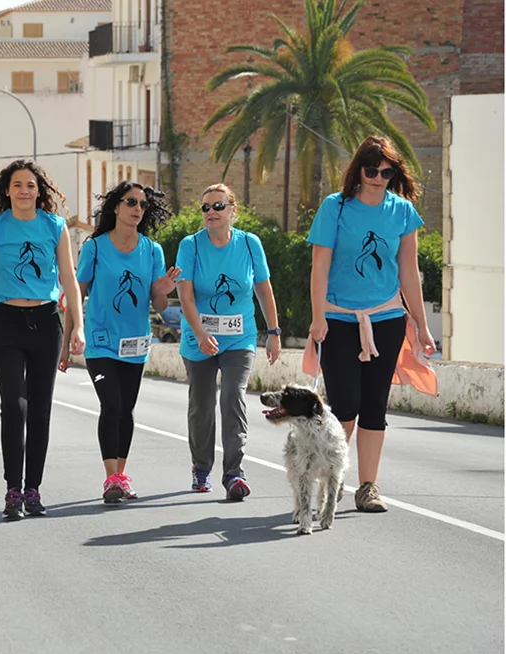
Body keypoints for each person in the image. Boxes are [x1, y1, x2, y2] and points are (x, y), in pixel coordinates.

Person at [307, 136, 437, 513]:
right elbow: (320, 266)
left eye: (387, 171)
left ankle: (367, 487)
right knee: (344, 406)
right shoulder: (336, 208)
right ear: (358, 170)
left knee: (374, 407)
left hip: (387, 318)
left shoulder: (403, 211)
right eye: (372, 170)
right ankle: (329, 478)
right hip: (338, 319)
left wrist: (423, 325)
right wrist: (318, 319)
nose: (379, 177)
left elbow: (409, 272)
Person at [0, 159, 85, 521]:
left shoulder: (55, 226)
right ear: (7, 191)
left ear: (38, 190)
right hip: (7, 321)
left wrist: (77, 325)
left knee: (41, 407)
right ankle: (12, 488)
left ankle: (34, 489)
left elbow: (69, 279)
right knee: (14, 406)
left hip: (46, 321)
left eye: (30, 185)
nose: (24, 191)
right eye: (17, 185)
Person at [59, 182, 180, 504]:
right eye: (130, 202)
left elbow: (159, 304)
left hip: (136, 343)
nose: (137, 208)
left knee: (126, 409)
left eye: (142, 204)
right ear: (116, 207)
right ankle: (110, 476)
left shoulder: (152, 250)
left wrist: (164, 289)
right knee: (110, 404)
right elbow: (76, 294)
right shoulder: (96, 248)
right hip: (100, 342)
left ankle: (120, 476)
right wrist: (69, 338)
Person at [176, 183, 281, 501]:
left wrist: (273, 333)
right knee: (202, 406)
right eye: (205, 207)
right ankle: (201, 466)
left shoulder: (250, 244)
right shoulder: (190, 245)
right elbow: (186, 295)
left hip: (240, 337)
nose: (210, 212)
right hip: (199, 336)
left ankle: (234, 474)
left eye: (218, 206)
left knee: (233, 398)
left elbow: (263, 290)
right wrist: (200, 333)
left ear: (233, 211)